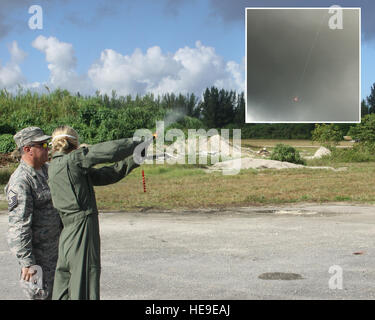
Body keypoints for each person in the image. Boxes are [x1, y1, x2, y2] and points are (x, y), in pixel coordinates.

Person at [48, 125, 152, 300]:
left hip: (67, 232)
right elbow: (109, 150)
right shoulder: (74, 160)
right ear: (73, 143)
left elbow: (106, 175)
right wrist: (139, 143)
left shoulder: (54, 166)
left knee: (64, 284)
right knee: (86, 281)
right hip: (82, 228)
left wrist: (134, 159)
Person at [5, 126, 62, 300]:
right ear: (28, 149)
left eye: (47, 144)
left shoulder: (46, 171)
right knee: (41, 296)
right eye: (42, 145)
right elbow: (19, 227)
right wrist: (27, 263)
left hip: (56, 254)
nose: (48, 148)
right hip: (38, 260)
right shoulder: (21, 181)